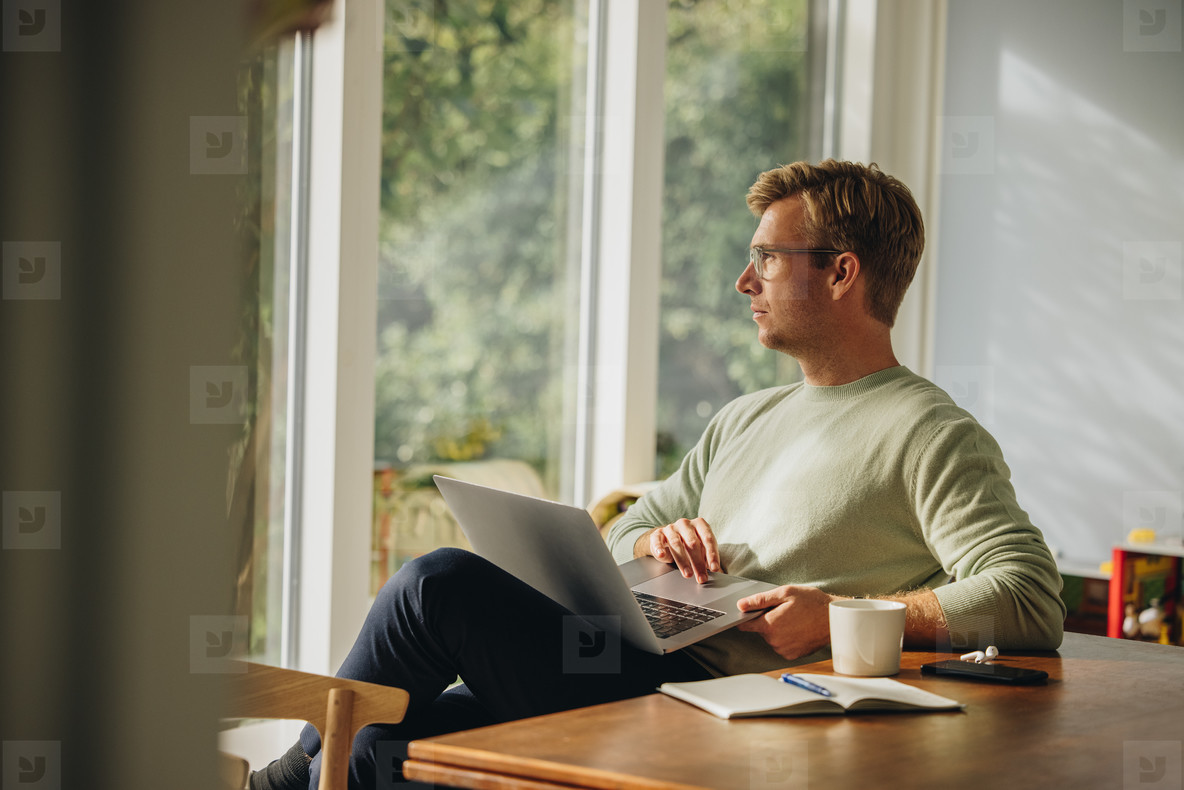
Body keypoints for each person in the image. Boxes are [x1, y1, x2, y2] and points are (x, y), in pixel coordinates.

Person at [250, 160, 1064, 790]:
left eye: (766, 261)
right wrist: (660, 537)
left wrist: (839, 615)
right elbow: (627, 532)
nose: (745, 283)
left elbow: (1028, 596)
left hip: (719, 709)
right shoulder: (747, 416)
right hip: (635, 663)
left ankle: (280, 782)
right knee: (385, 744)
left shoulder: (931, 431)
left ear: (842, 272)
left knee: (438, 586)